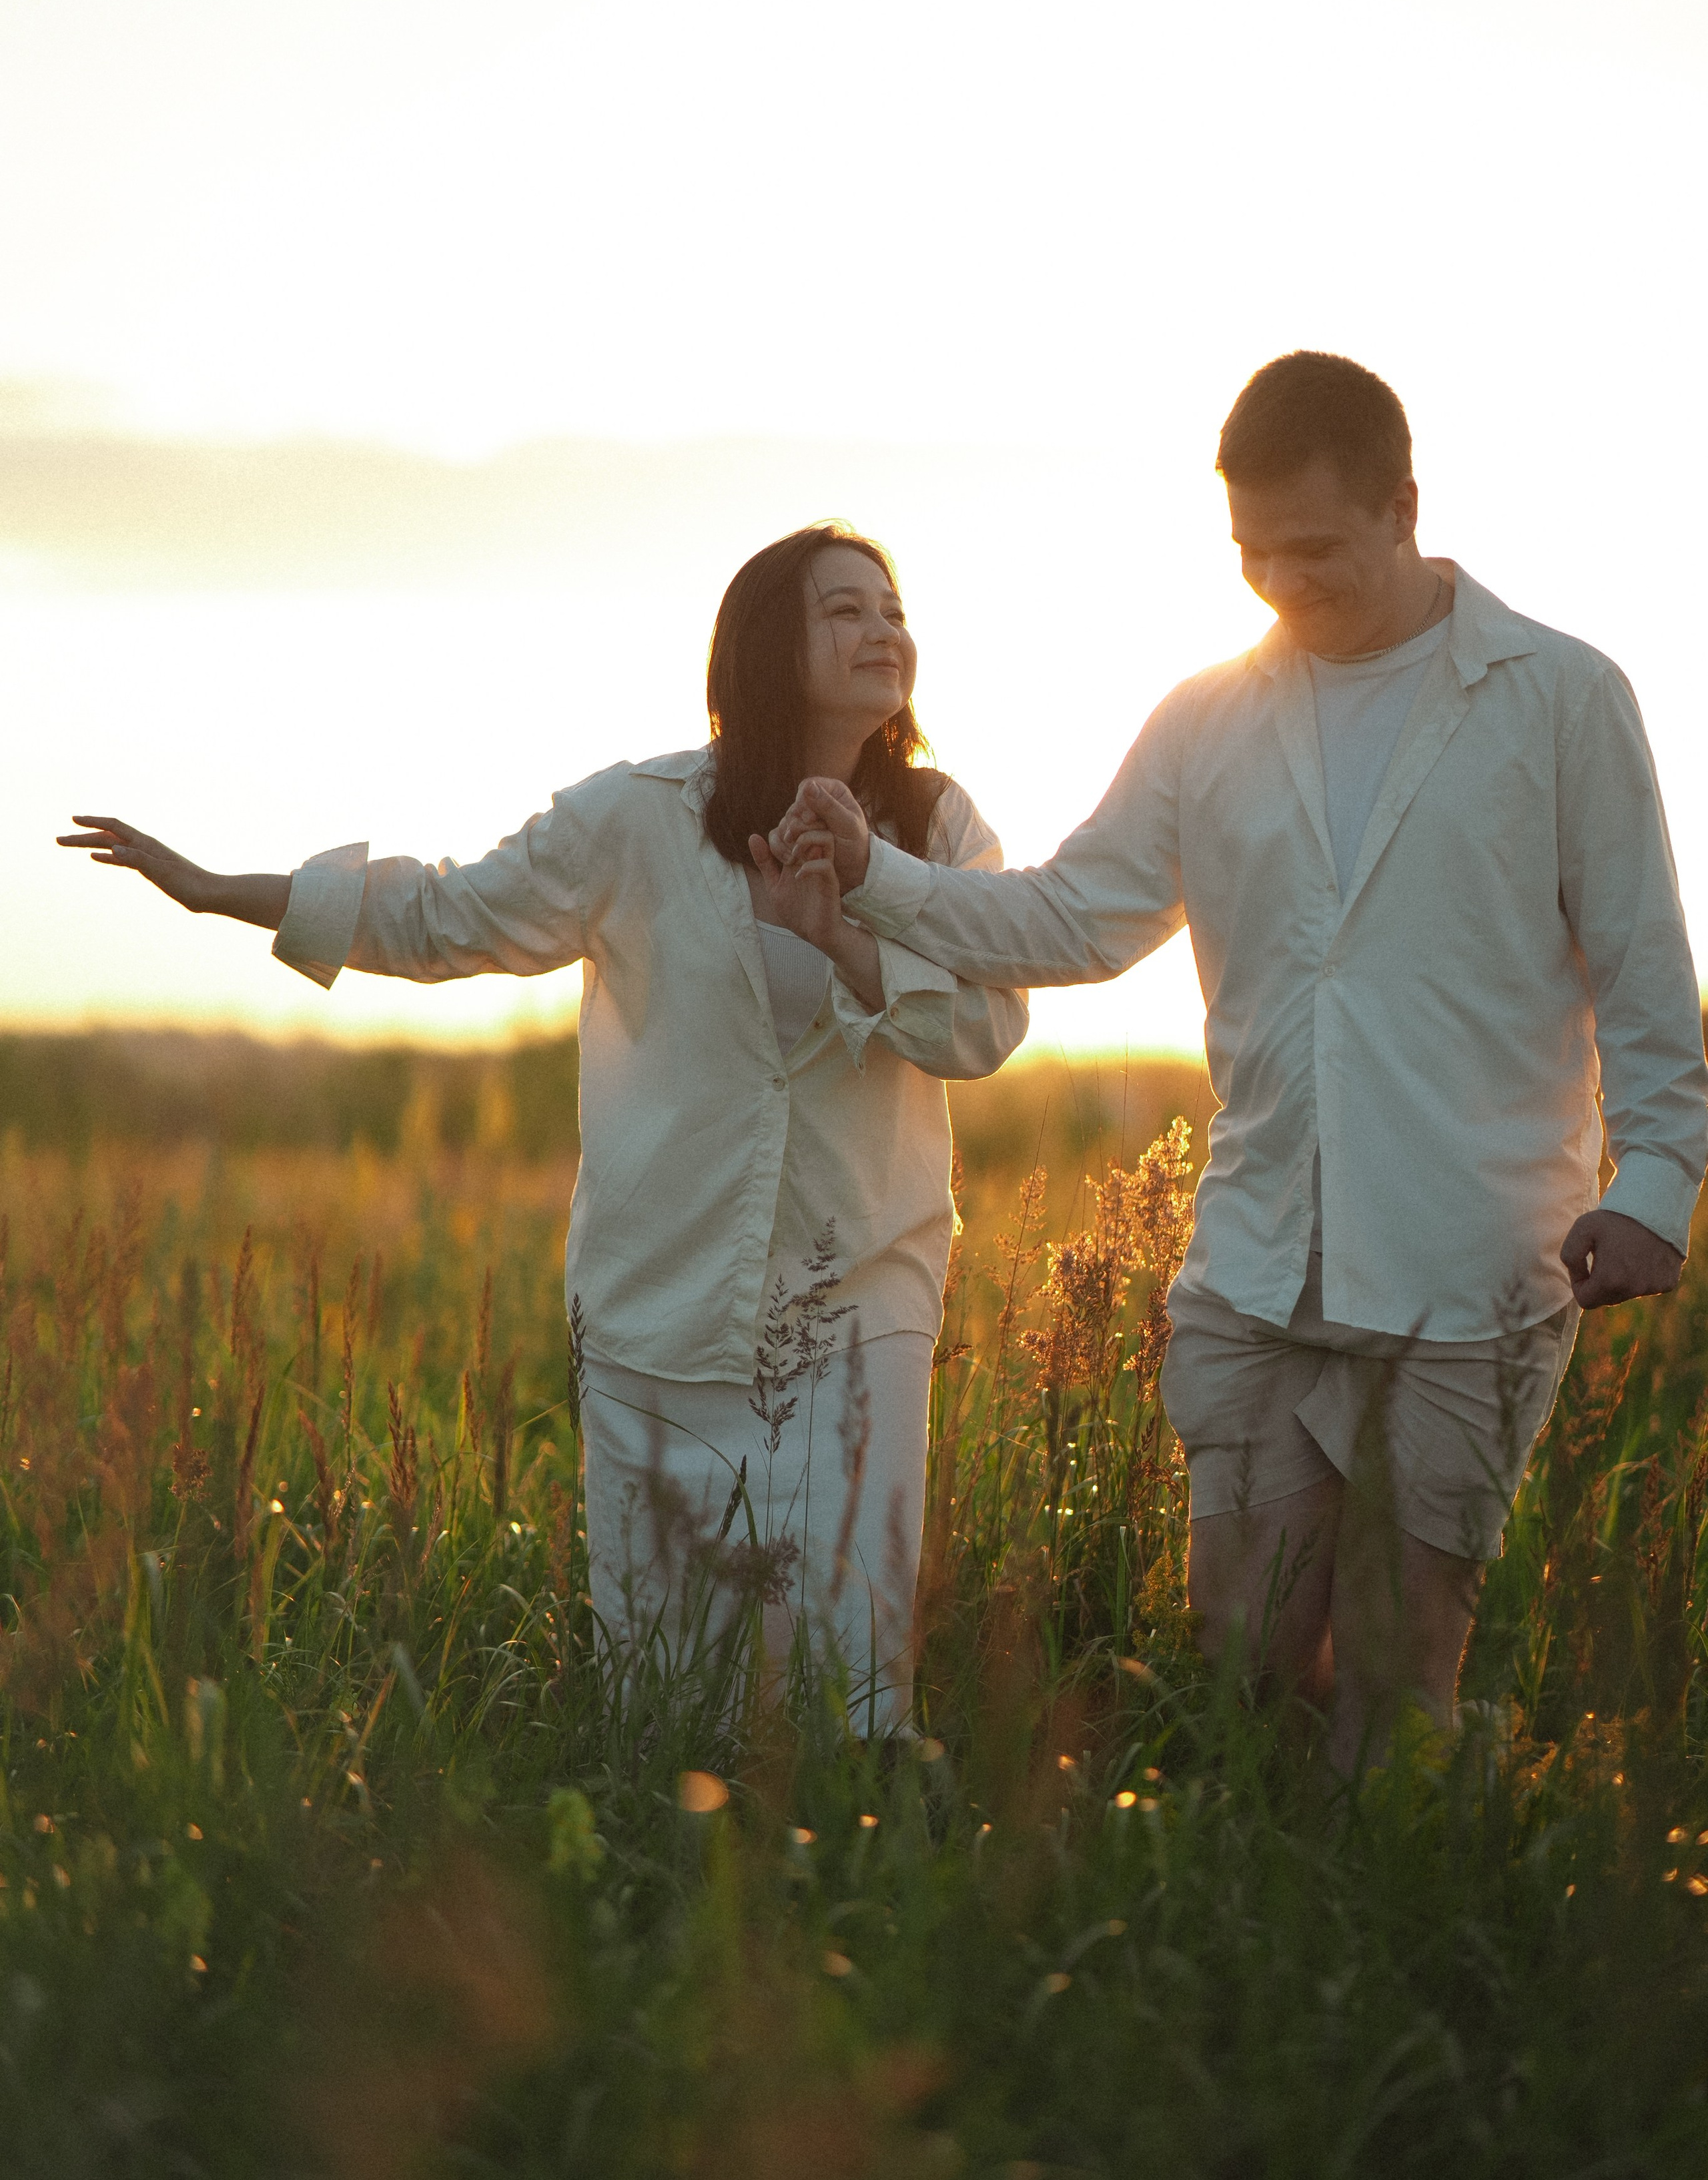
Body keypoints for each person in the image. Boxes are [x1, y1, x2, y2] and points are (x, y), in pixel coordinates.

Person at [772, 354, 1708, 1772]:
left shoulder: (1560, 698)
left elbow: (1645, 971)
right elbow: (1068, 918)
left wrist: (1655, 1182)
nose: (1279, 583)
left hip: (1468, 1271)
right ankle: (1240, 1938)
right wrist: (880, 882)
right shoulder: (1205, 717)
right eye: (1249, 554)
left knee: (1396, 1685)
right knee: (1241, 1658)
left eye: (1313, 550)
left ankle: (1401, 1928)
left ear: (1402, 506)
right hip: (1258, 1261)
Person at [59, 522, 1027, 1731]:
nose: (886, 630)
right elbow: (440, 916)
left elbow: (985, 1031)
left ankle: (860, 1890)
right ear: (769, 644)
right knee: (670, 1691)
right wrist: (222, 890)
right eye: (846, 610)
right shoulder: (637, 819)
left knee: (854, 1666)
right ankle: (675, 1892)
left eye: (894, 609)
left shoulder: (937, 832)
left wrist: (841, 931)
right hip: (653, 1304)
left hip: (858, 1294)